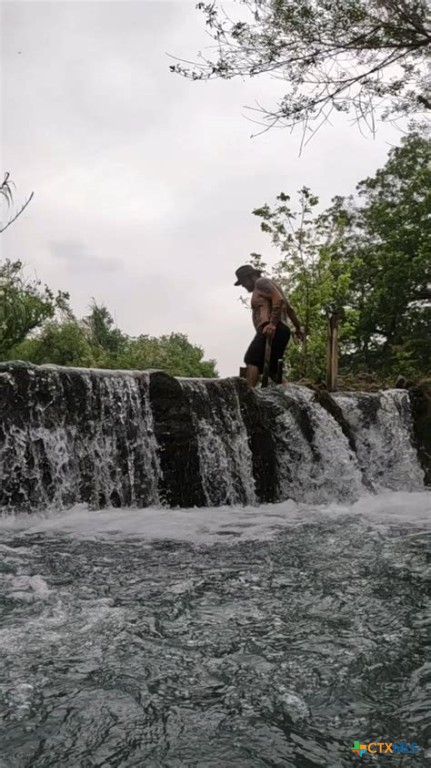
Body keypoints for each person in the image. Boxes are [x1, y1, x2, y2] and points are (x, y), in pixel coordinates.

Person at [234, 264, 305, 388]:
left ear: (250, 276)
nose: (243, 286)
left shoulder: (261, 283)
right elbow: (289, 309)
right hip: (280, 330)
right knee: (273, 371)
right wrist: (298, 328)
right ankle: (295, 395)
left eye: (243, 282)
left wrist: (272, 324)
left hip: (272, 328)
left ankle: (249, 397)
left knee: (252, 359)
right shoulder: (271, 287)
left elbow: (279, 301)